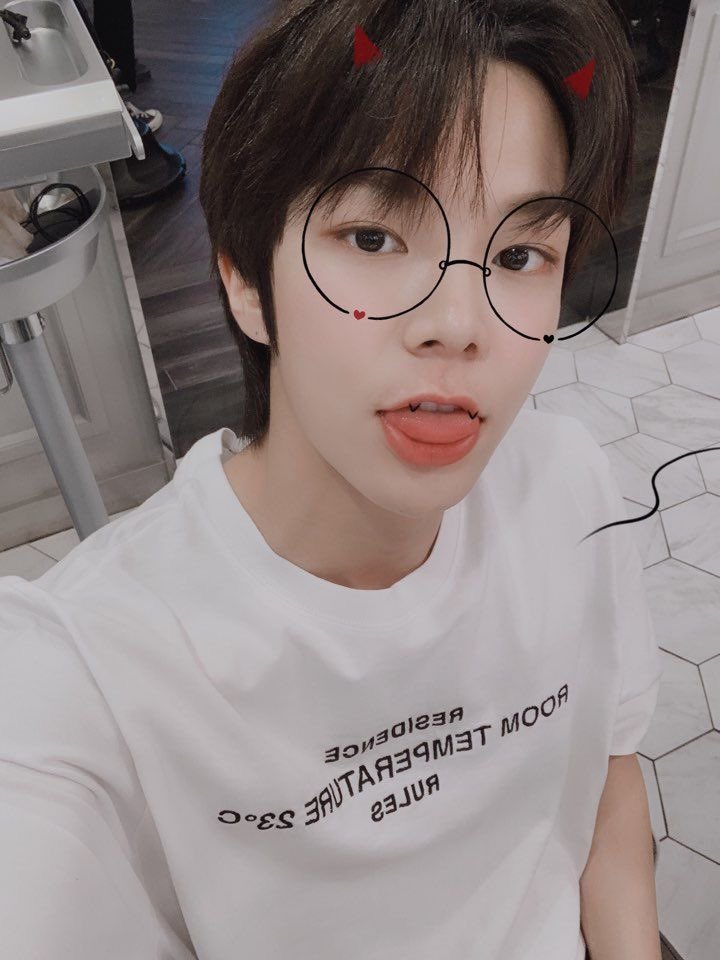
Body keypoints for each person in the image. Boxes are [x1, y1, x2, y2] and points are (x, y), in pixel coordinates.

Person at [0, 1, 663, 958]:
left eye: (519, 255)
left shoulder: (570, 487)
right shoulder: (90, 672)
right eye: (374, 238)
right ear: (245, 280)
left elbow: (607, 775)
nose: (458, 324)